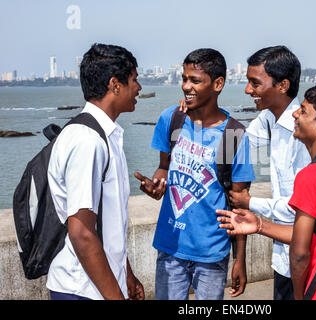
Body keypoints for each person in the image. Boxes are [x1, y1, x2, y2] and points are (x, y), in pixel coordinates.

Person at [135, 48, 255, 300]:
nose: (186, 86)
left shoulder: (232, 135)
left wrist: (239, 259)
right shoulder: (172, 119)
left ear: (218, 84)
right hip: (170, 247)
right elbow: (164, 167)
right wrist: (157, 185)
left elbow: (238, 201)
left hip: (211, 254)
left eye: (195, 80)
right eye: (184, 78)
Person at [217, 85, 316, 300]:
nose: (295, 114)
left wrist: (299, 296)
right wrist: (260, 225)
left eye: (303, 111)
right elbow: (312, 234)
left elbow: (301, 252)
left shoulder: (313, 175)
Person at [46, 43, 144, 300]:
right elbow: (82, 233)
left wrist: (127, 275)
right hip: (82, 290)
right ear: (115, 84)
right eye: (134, 80)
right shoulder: (87, 141)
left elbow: (108, 222)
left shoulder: (105, 135)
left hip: (98, 286)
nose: (139, 88)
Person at [228, 46, 311, 300]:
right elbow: (239, 139)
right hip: (284, 260)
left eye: (255, 83)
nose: (248, 90)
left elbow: (301, 208)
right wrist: (193, 114)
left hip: (307, 260)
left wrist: (249, 203)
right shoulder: (268, 119)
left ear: (283, 85)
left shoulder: (305, 134)